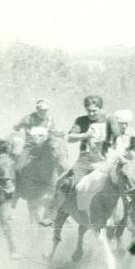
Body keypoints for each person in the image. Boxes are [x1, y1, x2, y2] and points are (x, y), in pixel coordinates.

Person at [39, 95, 109, 226]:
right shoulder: (81, 121)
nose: (91, 113)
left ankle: (132, 215)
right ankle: (50, 214)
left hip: (104, 159)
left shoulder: (109, 120)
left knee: (124, 179)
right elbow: (70, 137)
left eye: (95, 110)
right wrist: (85, 135)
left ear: (100, 108)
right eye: (89, 110)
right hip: (85, 160)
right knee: (65, 182)